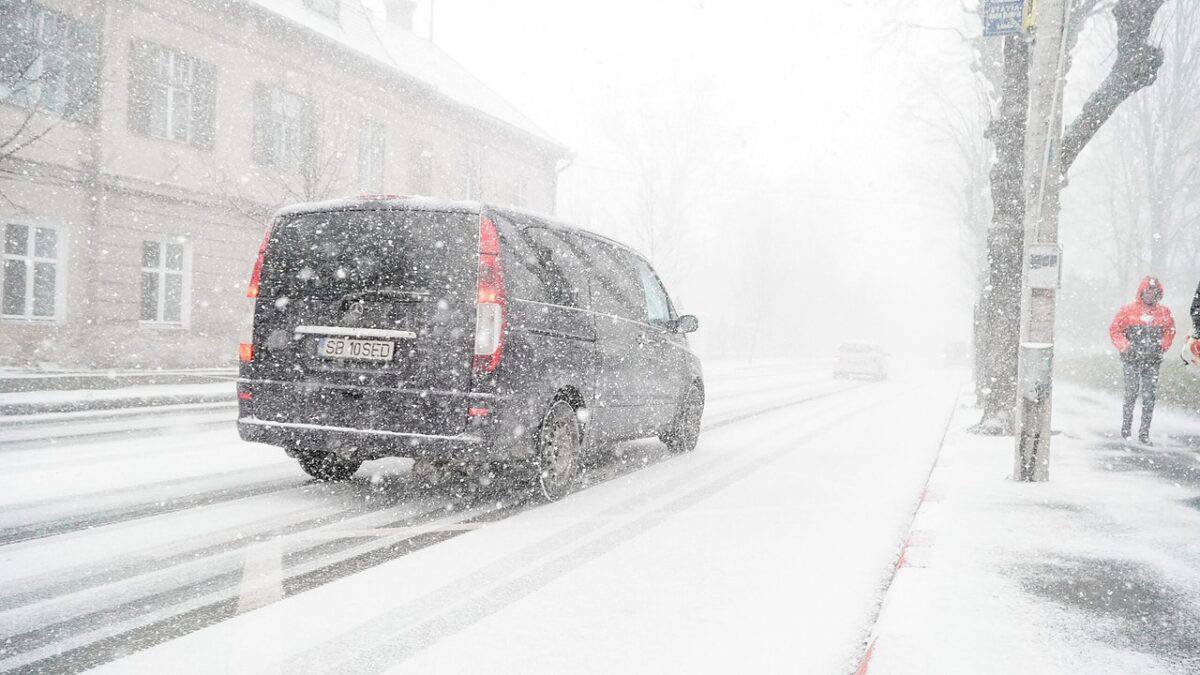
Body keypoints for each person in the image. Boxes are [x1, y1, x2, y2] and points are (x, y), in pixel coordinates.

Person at [1109, 276, 1176, 444]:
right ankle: (1126, 430)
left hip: (1152, 361)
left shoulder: (1164, 312)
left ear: (1159, 294)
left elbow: (1170, 331)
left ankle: (1144, 433)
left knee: (1149, 397)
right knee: (1131, 394)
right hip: (1131, 360)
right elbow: (1115, 330)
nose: (1150, 295)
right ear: (1141, 292)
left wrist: (1161, 347)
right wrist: (1126, 347)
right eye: (1147, 291)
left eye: (1154, 292)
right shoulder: (1128, 310)